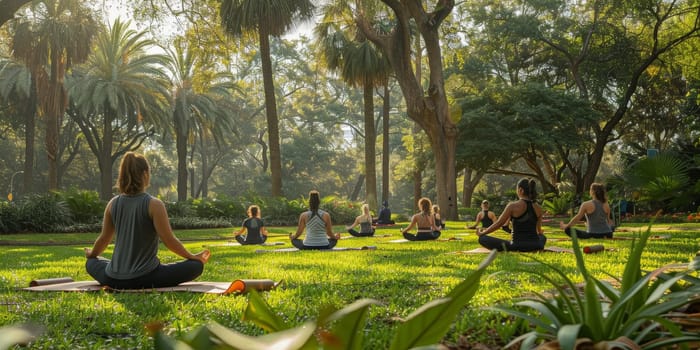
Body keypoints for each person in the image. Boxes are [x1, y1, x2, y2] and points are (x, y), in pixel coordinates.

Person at [85, 152, 210, 289]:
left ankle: (104, 266)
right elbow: (169, 241)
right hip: (144, 278)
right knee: (195, 266)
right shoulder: (154, 205)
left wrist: (92, 254)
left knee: (91, 263)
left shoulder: (112, 204)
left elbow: (104, 239)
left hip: (112, 278)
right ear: (145, 174)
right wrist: (192, 257)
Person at [476, 178, 546, 252]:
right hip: (536, 245)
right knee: (543, 237)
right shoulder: (538, 208)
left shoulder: (512, 206)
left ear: (521, 190)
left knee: (482, 239)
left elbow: (499, 223)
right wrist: (540, 235)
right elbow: (539, 231)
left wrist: (483, 233)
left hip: (516, 246)